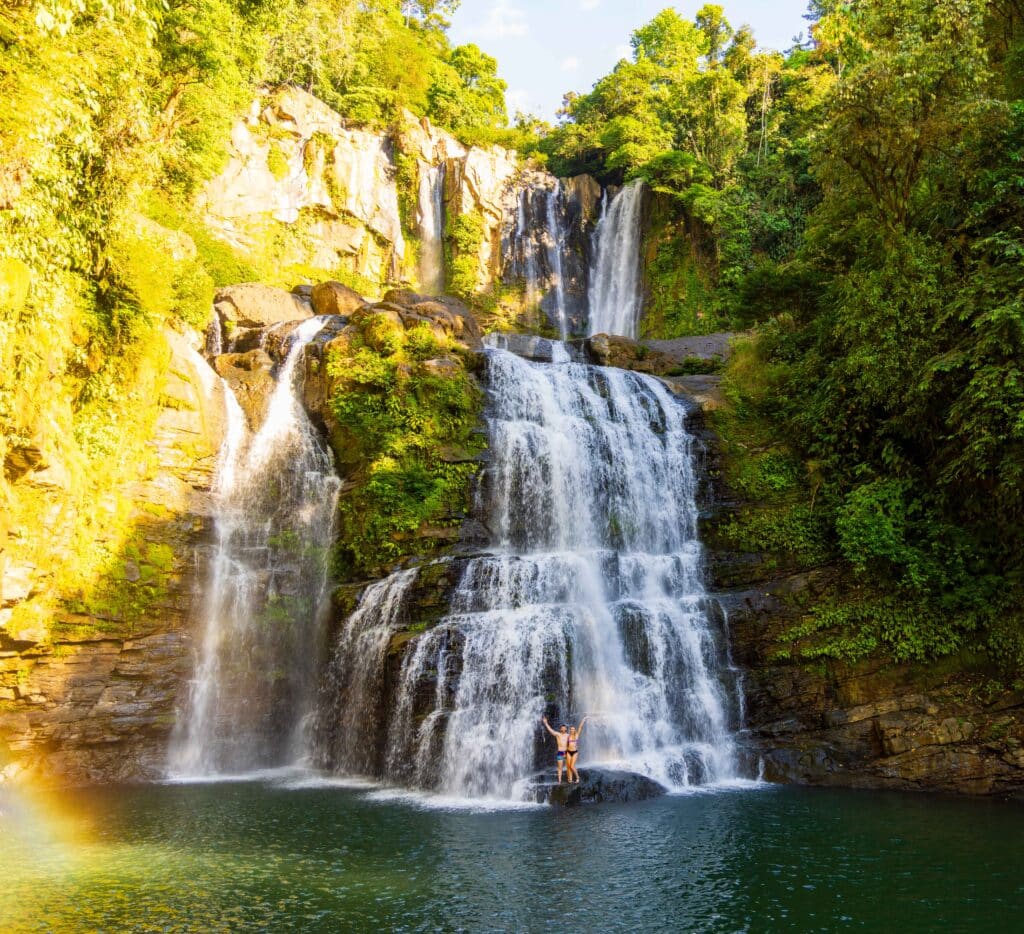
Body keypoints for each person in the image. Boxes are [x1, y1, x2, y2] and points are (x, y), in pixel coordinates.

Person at [541, 715, 570, 783]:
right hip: (560, 752)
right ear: (560, 729)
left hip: (566, 752)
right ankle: (559, 781)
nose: (563, 729)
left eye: (564, 728)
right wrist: (546, 723)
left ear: (566, 729)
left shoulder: (568, 735)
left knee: (568, 767)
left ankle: (569, 779)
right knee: (560, 768)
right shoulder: (558, 734)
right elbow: (551, 731)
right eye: (562, 728)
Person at [566, 716, 588, 783]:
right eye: (571, 729)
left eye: (573, 729)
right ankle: (570, 779)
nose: (572, 730)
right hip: (568, 752)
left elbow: (580, 727)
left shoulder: (576, 735)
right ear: (570, 730)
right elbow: (566, 744)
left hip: (575, 752)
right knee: (569, 766)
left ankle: (577, 777)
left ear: (574, 730)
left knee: (572, 766)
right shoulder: (568, 736)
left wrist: (584, 719)